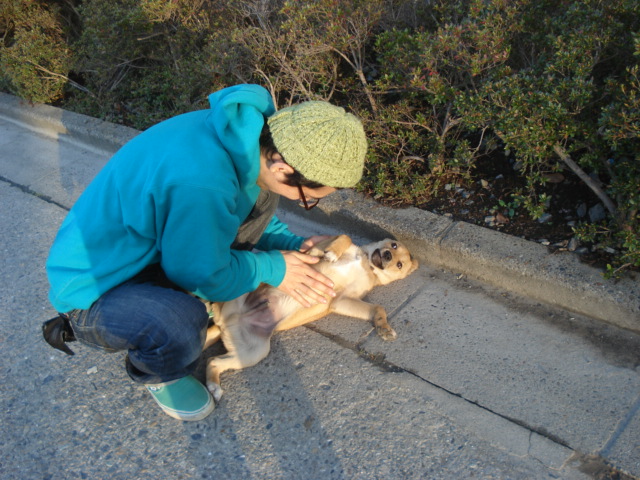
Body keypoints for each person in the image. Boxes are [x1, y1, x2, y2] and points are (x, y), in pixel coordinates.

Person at [43, 84, 367, 421]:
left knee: (260, 201)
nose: (304, 203)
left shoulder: (246, 142)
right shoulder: (203, 182)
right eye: (307, 198)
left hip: (150, 254)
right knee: (181, 322)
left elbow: (244, 216)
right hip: (96, 288)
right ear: (282, 166)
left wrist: (292, 245)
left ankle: (171, 309)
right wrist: (273, 269)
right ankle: (156, 371)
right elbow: (201, 275)